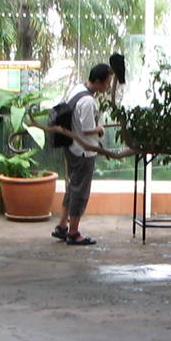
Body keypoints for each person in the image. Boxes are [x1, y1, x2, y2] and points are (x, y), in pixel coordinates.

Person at [53, 62, 114, 246]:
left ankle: (62, 226)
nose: (109, 86)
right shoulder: (88, 101)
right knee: (80, 192)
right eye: (107, 83)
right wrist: (100, 129)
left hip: (71, 147)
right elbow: (88, 129)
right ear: (97, 81)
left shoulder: (77, 90)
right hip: (84, 152)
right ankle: (74, 232)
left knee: (73, 188)